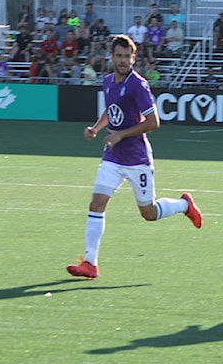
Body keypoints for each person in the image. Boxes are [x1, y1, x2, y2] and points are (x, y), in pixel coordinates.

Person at [66, 34, 202, 280]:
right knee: (96, 204)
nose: (123, 61)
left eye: (127, 57)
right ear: (111, 57)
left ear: (133, 58)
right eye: (119, 56)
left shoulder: (138, 85)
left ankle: (184, 205)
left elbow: (153, 122)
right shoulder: (108, 81)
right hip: (113, 157)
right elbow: (112, 108)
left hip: (137, 158)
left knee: (148, 213)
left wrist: (120, 135)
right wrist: (97, 129)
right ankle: (90, 263)